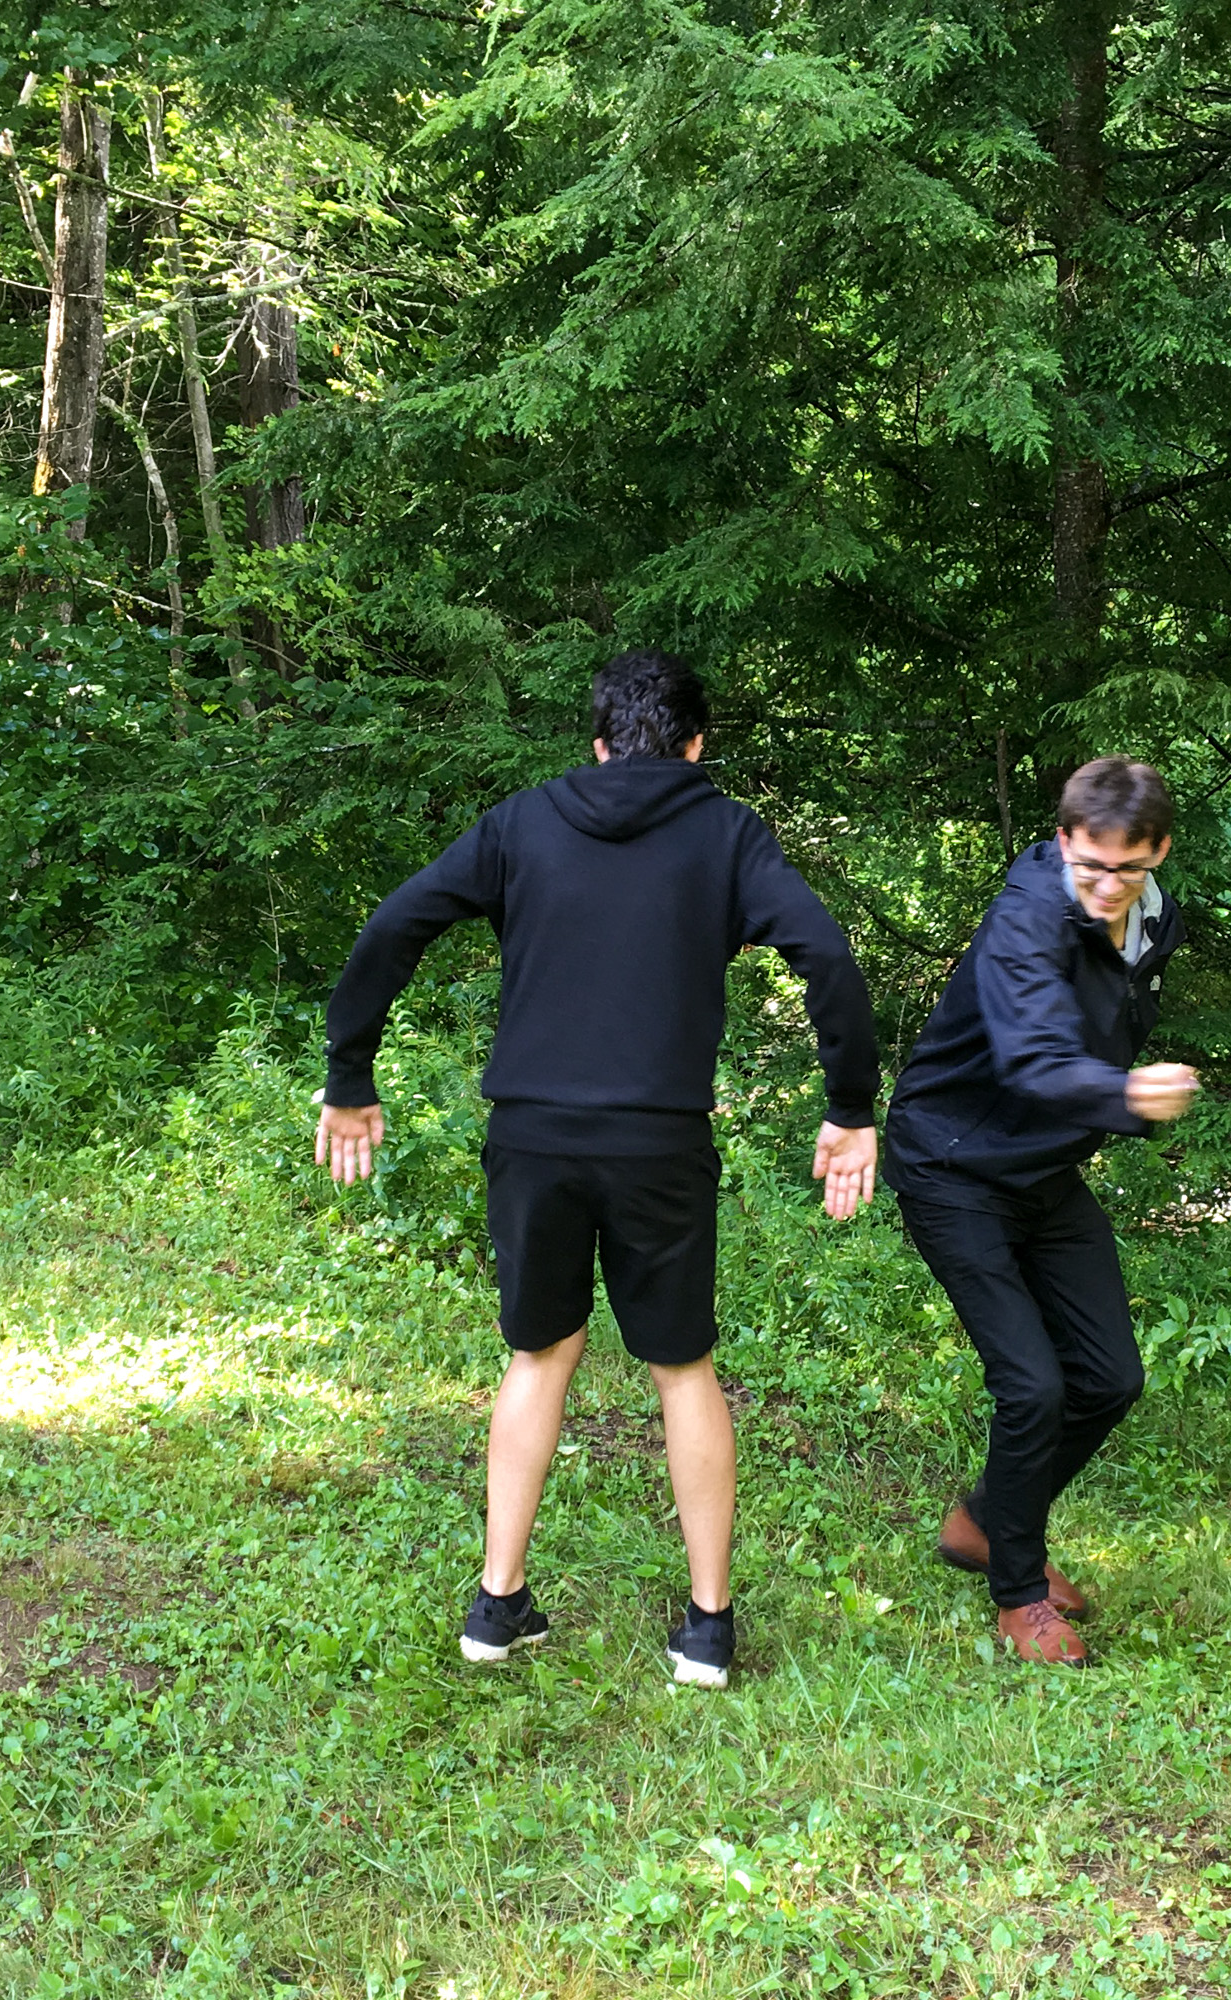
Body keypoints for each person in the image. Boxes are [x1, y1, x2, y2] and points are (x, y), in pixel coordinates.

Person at [314, 649, 879, 1689]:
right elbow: (827, 957)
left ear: (600, 742)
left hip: (533, 1137)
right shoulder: (727, 832)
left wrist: (350, 1071)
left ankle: (498, 1606)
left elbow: (397, 921)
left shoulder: (523, 822)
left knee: (538, 1355)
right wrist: (849, 1107)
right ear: (696, 746)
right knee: (682, 1367)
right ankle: (706, 1628)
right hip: (658, 1142)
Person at [884, 758, 1197, 1668]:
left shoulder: (1155, 918)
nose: (1105, 886)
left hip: (1043, 1169)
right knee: (1031, 1386)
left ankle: (986, 1523)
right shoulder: (1027, 917)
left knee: (1110, 1378)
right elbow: (1028, 1056)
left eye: (1126, 868)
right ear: (1063, 841)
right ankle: (1017, 1592)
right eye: (1088, 865)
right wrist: (1124, 1094)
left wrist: (1108, 1096)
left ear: (1157, 852)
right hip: (952, 1164)